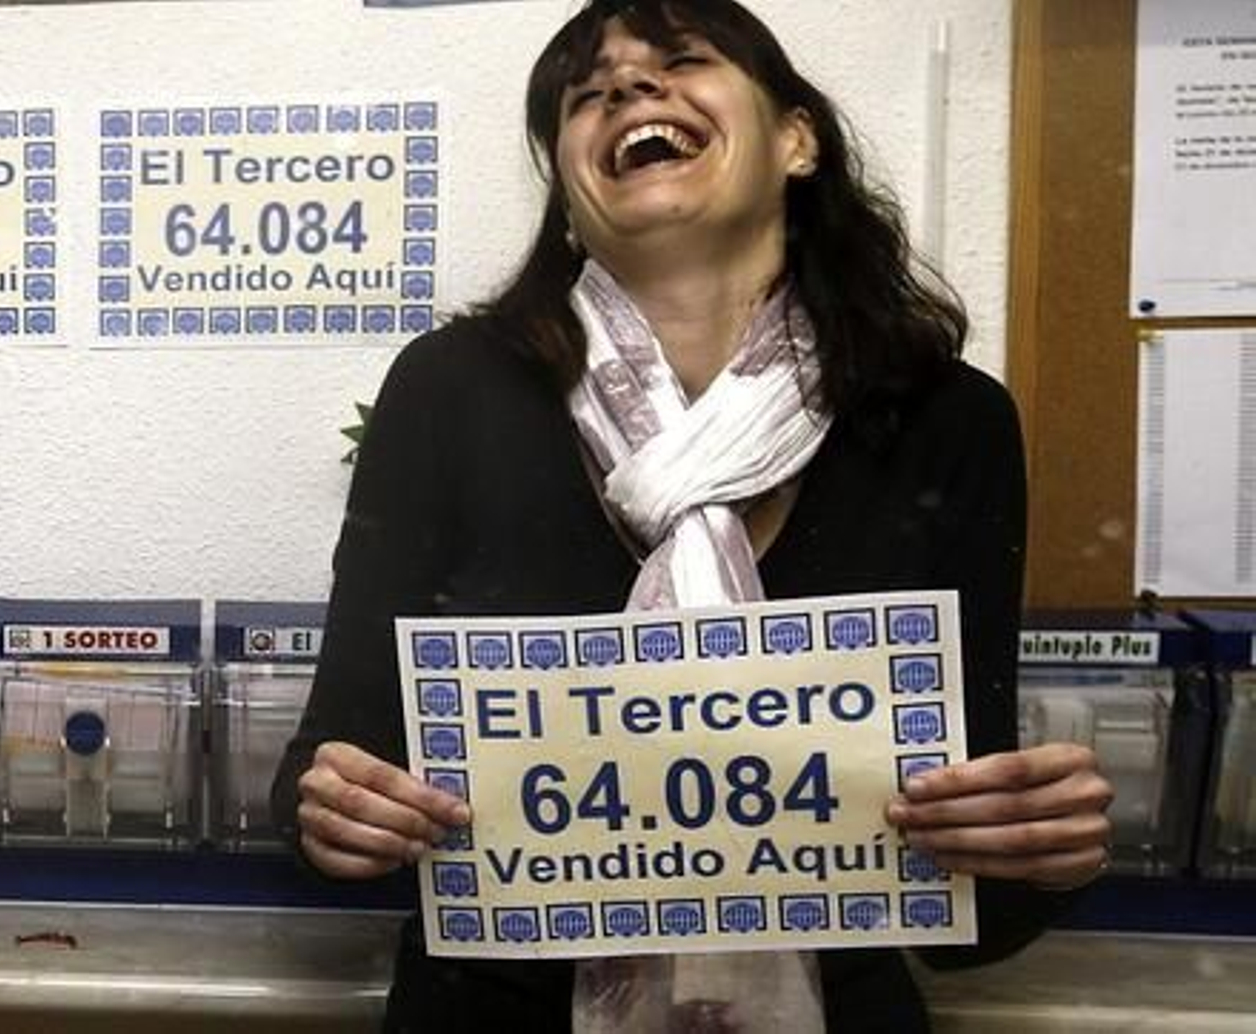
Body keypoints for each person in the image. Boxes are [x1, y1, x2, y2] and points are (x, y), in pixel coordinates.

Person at [271, 1, 1113, 1030]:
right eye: (586, 93)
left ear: (797, 140)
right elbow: (327, 772)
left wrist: (1037, 852)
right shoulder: (450, 393)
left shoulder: (943, 417)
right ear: (569, 187)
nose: (628, 86)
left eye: (680, 61)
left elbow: (960, 911)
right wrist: (335, 814)